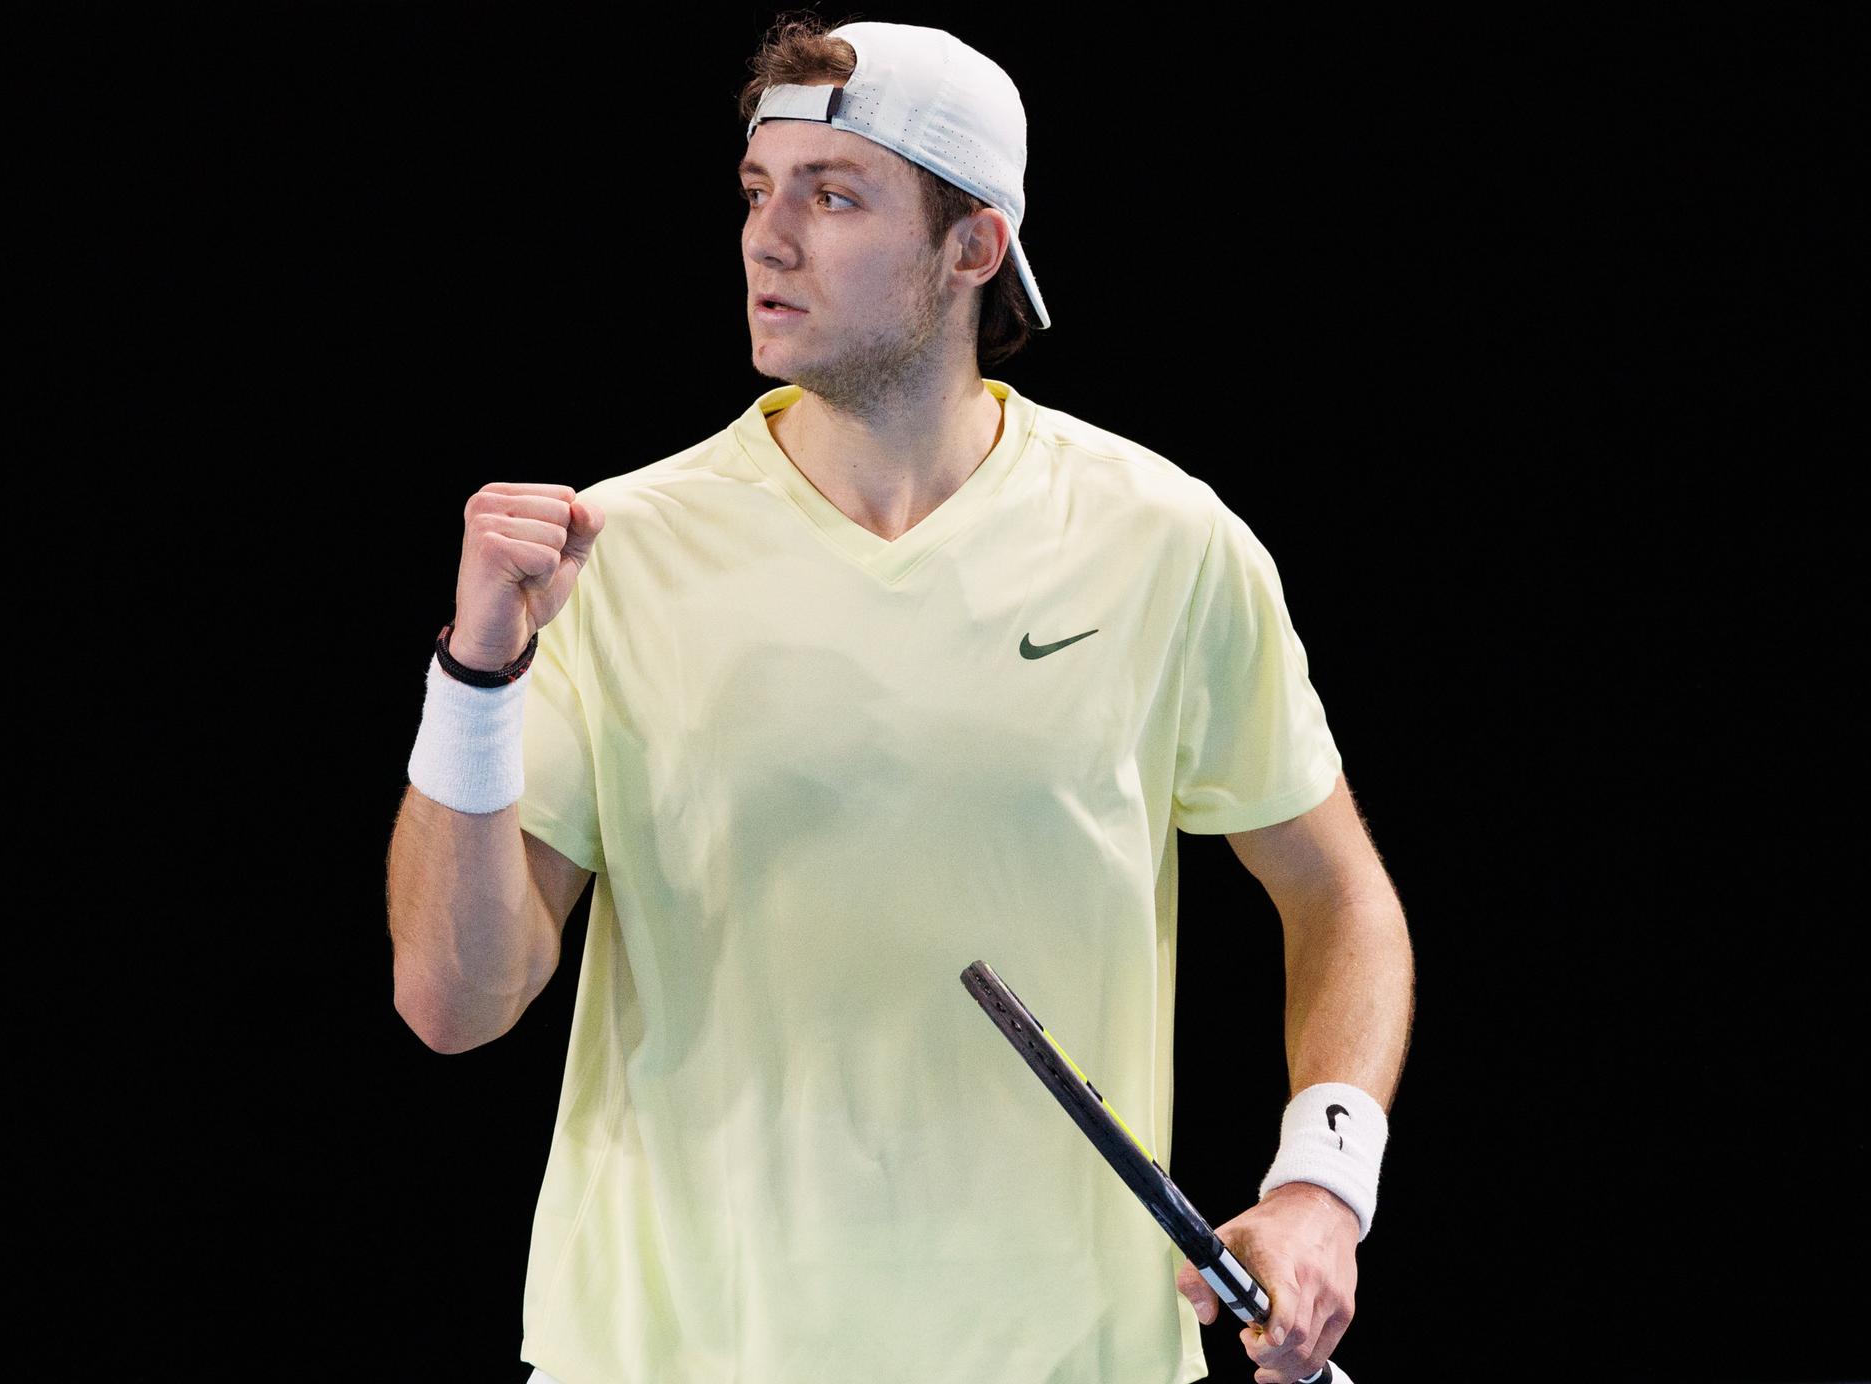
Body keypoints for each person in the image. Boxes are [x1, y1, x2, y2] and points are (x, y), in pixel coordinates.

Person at [386, 16, 1413, 1384]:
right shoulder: (602, 555)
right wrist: (477, 676)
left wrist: (1322, 1189)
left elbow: (1343, 901)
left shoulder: (1168, 544)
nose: (767, 238)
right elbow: (455, 1000)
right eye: (760, 192)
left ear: (972, 249)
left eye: (834, 195)